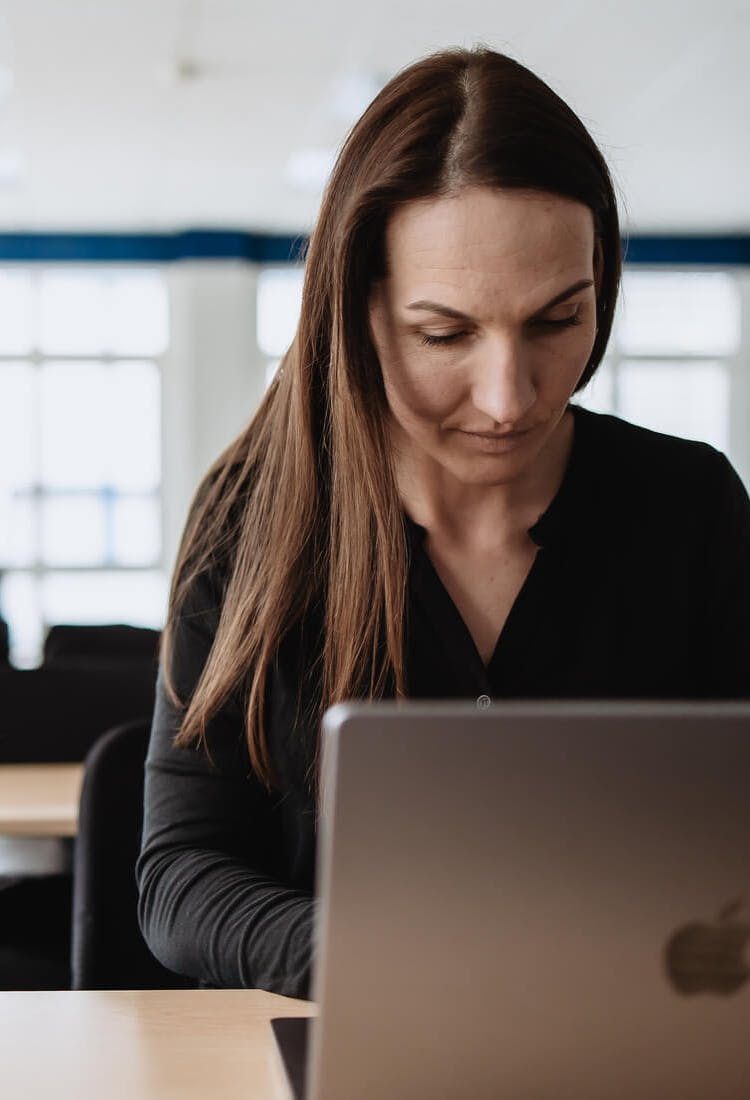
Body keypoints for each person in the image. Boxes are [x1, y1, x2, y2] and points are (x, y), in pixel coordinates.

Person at [136, 47, 750, 999]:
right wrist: (406, 964)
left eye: (557, 321)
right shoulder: (254, 519)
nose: (509, 399)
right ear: (358, 311)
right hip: (347, 1035)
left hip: (640, 1033)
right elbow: (180, 879)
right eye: (445, 334)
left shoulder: (691, 505)